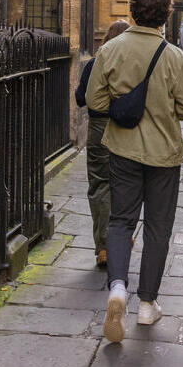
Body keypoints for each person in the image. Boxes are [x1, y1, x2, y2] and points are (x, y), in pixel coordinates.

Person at [86, 0, 183, 343]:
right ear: (166, 16)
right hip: (164, 155)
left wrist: (123, 106)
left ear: (133, 11)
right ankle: (147, 304)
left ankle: (117, 288)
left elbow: (95, 100)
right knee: (158, 228)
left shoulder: (111, 49)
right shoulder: (175, 57)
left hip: (121, 150)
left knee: (121, 221)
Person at [74, 20, 129, 267]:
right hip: (126, 127)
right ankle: (121, 238)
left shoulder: (97, 62)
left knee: (100, 185)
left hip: (98, 128)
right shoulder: (132, 65)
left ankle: (104, 246)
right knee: (126, 184)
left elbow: (79, 98)